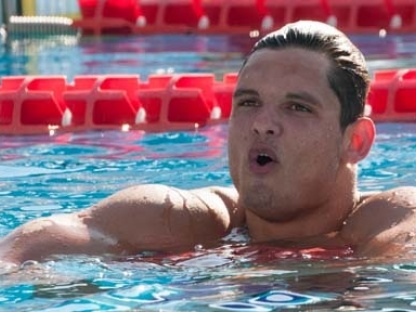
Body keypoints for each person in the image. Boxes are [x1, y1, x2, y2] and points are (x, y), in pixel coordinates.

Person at [1, 20, 416, 265]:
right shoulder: (179, 221)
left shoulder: (394, 224)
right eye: (249, 102)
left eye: (297, 108)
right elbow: (18, 256)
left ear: (356, 141)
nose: (262, 125)